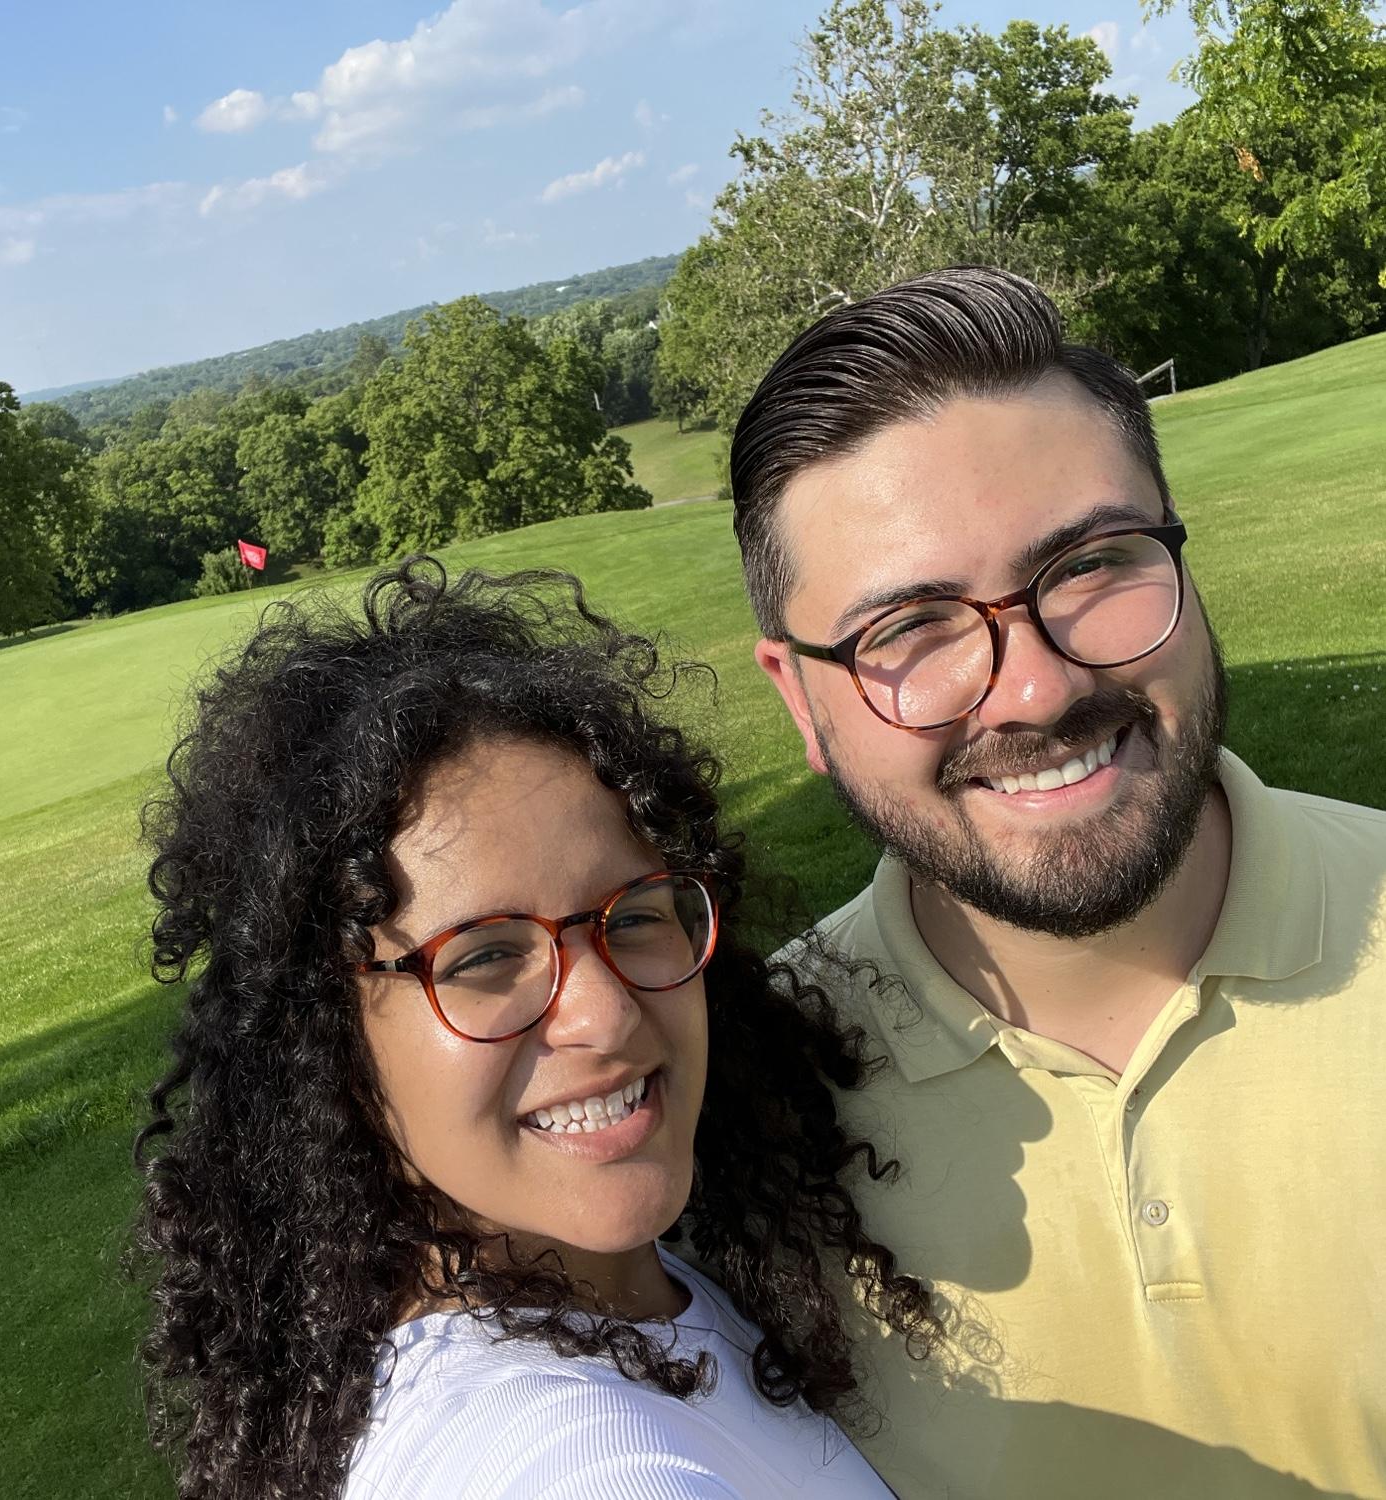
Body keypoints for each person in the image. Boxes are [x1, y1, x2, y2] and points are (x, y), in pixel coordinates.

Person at [729, 266, 1386, 1500]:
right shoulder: (743, 1111)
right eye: (909, 629)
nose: (1036, 688)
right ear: (800, 698)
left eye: (1091, 564)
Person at [133, 559, 938, 1500]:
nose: (605, 1011)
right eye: (482, 957)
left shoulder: (624, 1288)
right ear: (328, 1042)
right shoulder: (570, 1464)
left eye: (634, 915)